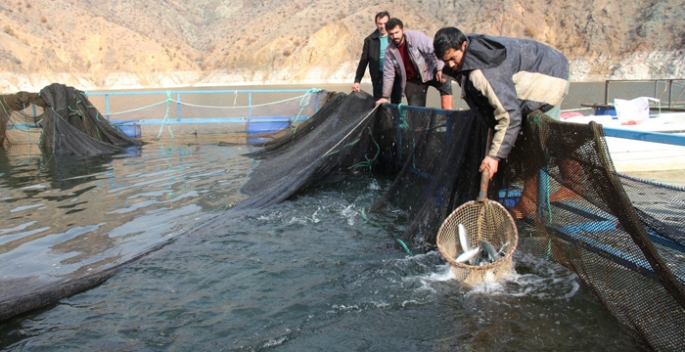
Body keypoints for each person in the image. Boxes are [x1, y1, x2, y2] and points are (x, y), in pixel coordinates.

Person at [433, 27, 574, 219]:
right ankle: (565, 184)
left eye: (453, 58)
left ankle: (566, 186)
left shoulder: (482, 73)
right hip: (530, 71)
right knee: (519, 137)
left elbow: (509, 116)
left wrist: (494, 156)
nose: (451, 64)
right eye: (445, 61)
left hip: (551, 75)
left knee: (536, 137)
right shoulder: (467, 53)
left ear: (464, 45)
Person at [376, 18, 453, 109]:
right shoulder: (389, 51)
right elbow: (389, 75)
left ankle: (448, 116)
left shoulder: (416, 37)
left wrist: (439, 68)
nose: (394, 36)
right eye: (391, 34)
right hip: (412, 80)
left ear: (402, 30)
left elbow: (433, 49)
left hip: (430, 70)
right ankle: (419, 123)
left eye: (397, 32)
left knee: (444, 78)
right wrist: (385, 97)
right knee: (416, 112)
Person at [352, 11, 402, 104]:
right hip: (378, 76)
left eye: (385, 23)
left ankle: (395, 119)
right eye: (380, 23)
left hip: (395, 76)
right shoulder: (370, 40)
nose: (382, 26)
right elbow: (363, 61)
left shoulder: (395, 38)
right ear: (376, 23)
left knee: (396, 104)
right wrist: (357, 81)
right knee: (379, 105)